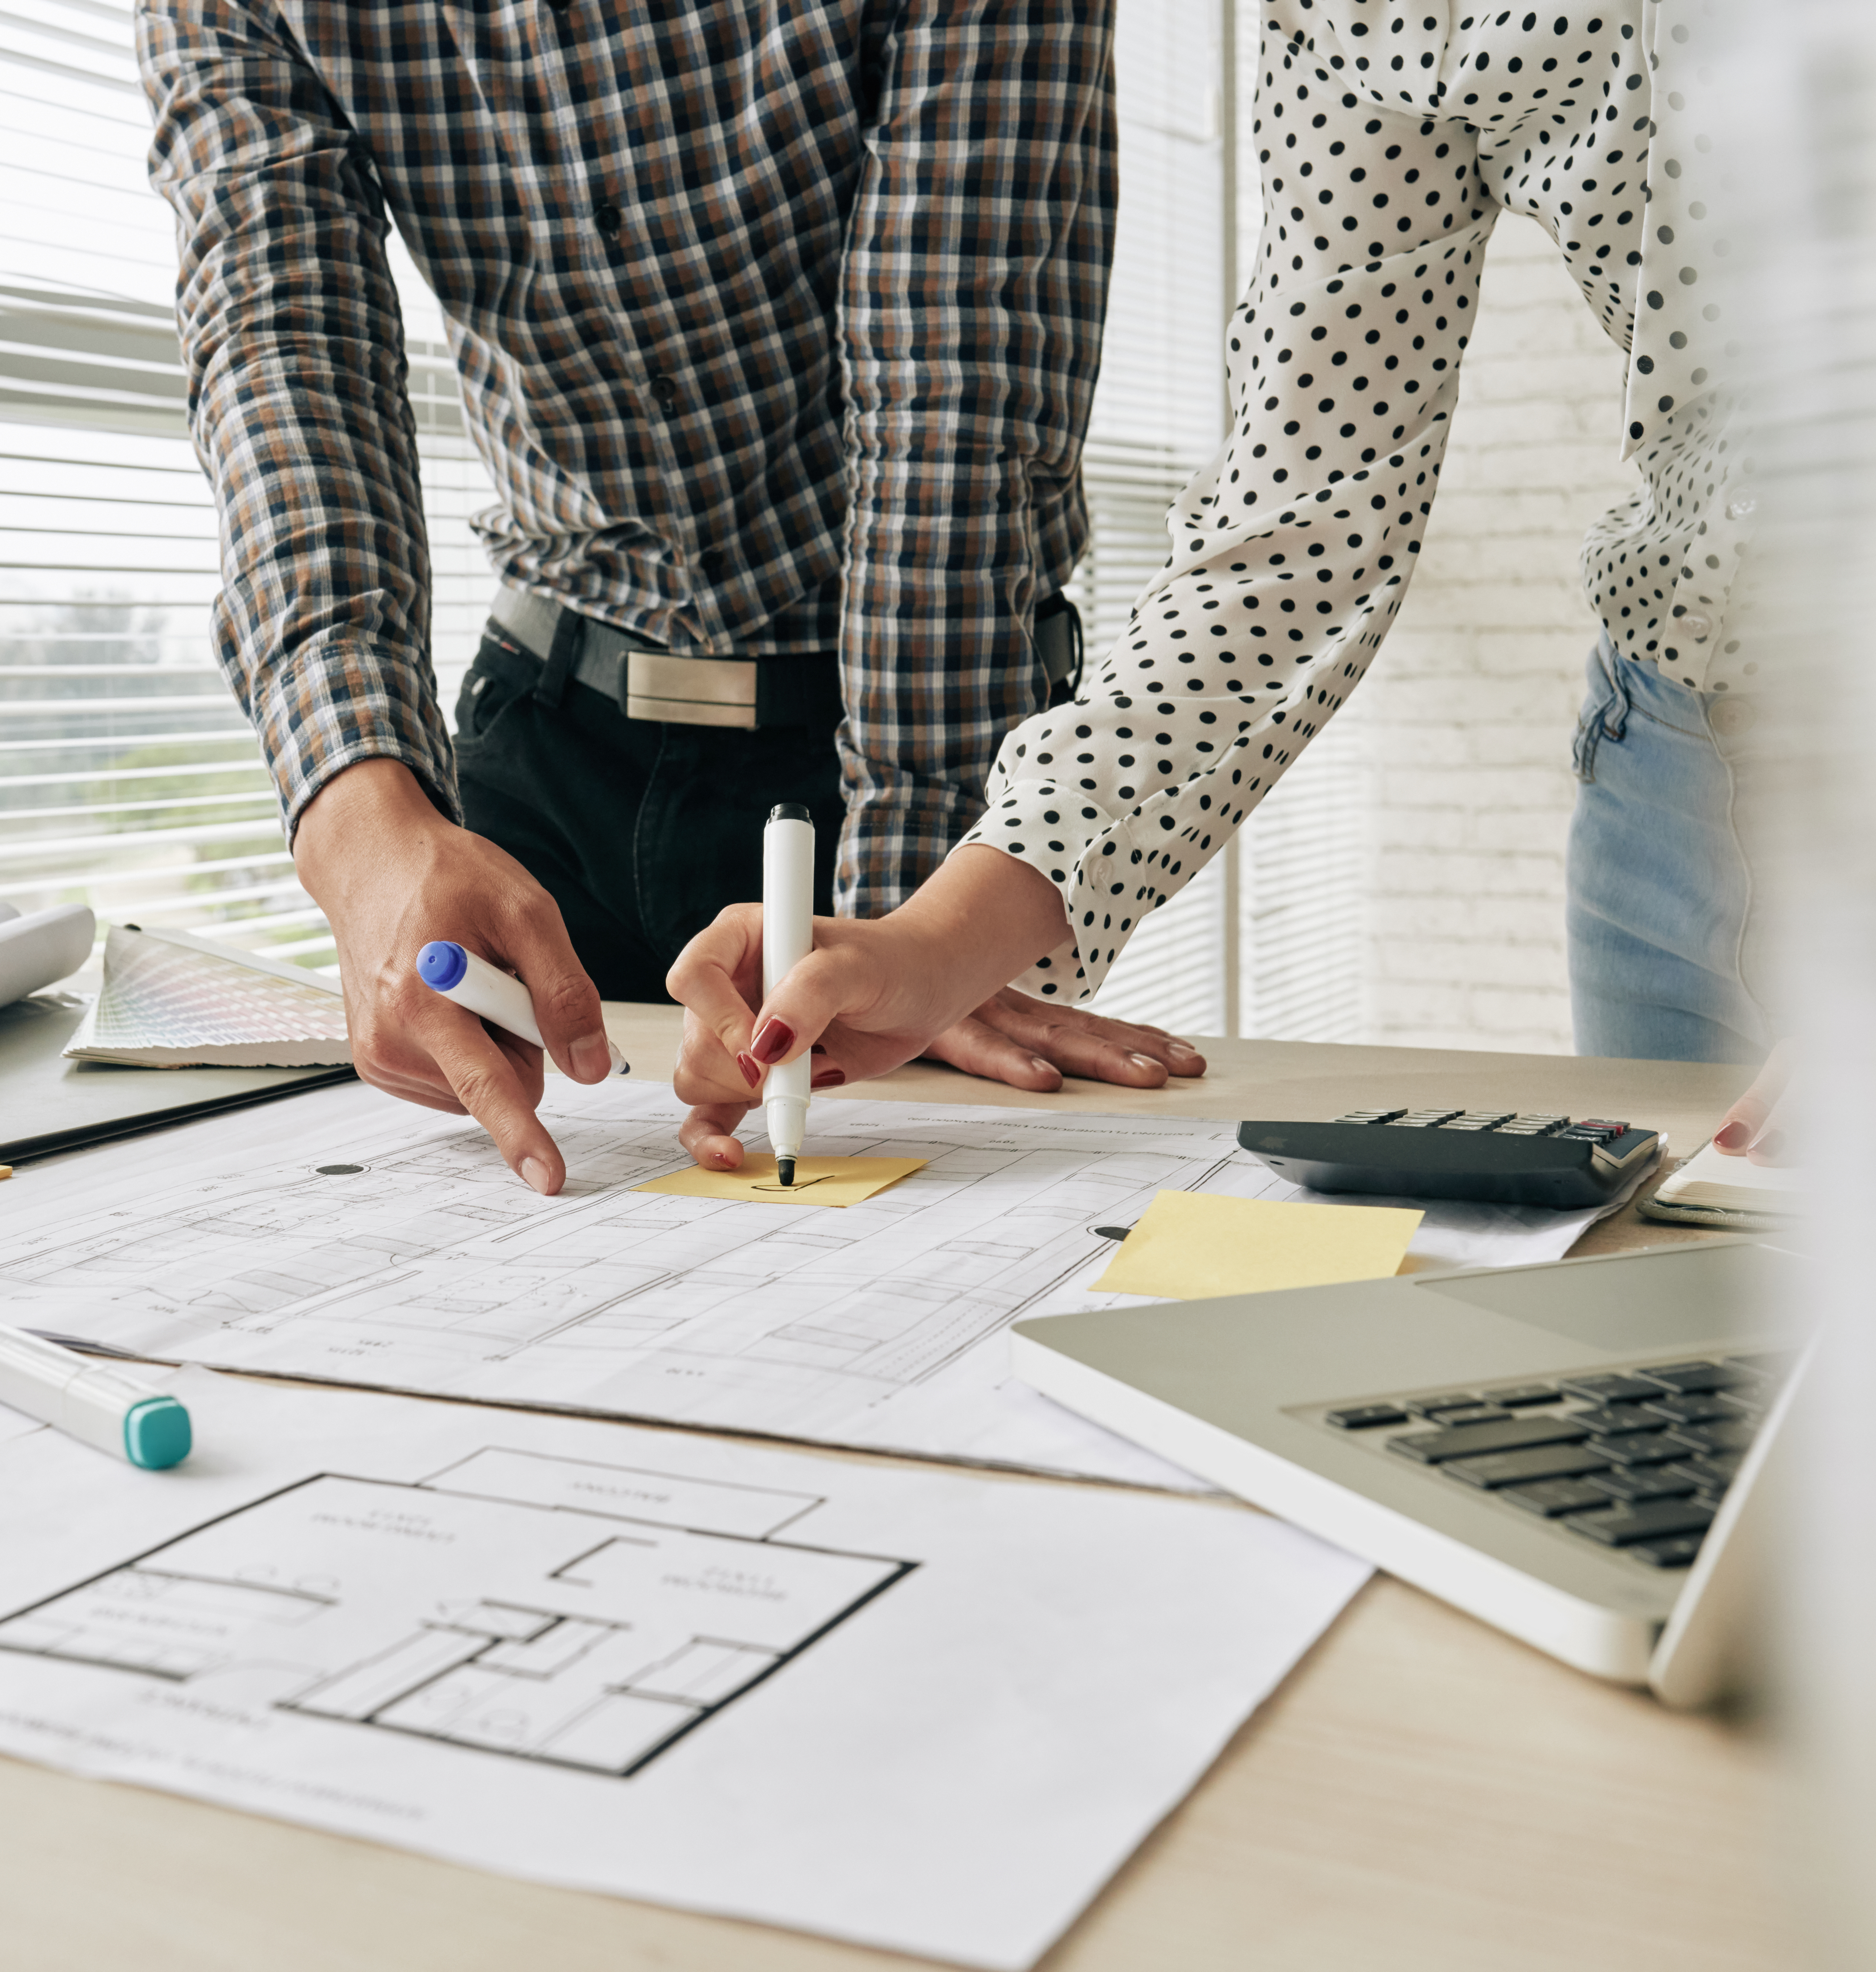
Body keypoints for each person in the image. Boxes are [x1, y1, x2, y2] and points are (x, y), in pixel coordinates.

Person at [667, 0, 1786, 1169]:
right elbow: (1298, 523)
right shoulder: (1353, 24)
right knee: (1672, 1325)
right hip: (1669, 768)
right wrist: (930, 942)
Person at [137, 0, 1206, 1198]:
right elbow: (281, 351)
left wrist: (922, 922)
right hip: (544, 739)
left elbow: (951, 379)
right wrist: (360, 832)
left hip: (902, 733)